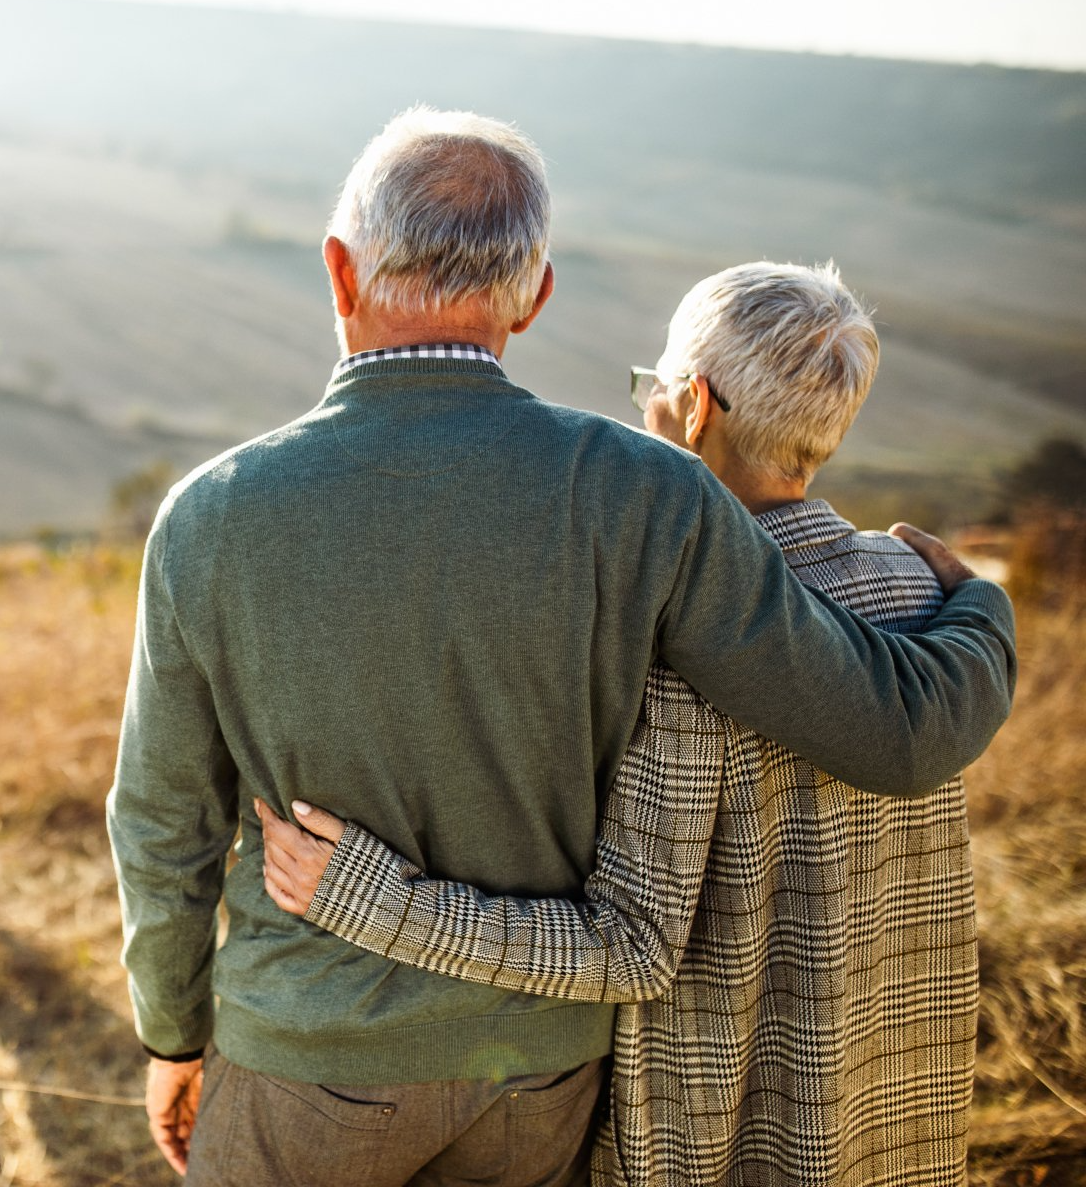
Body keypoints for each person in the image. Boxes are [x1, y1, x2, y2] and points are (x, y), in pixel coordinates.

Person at [107, 104, 1014, 1187]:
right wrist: (980, 611)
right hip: (539, 1075)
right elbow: (888, 728)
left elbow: (164, 823)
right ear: (534, 296)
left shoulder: (212, 513)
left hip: (306, 1058)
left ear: (339, 272)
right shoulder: (644, 492)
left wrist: (173, 1031)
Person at [258, 262, 996, 1186]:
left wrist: (375, 900)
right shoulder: (922, 591)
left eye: (650, 390)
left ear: (692, 409)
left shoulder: (671, 640)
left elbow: (633, 947)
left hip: (723, 1132)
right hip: (898, 1118)